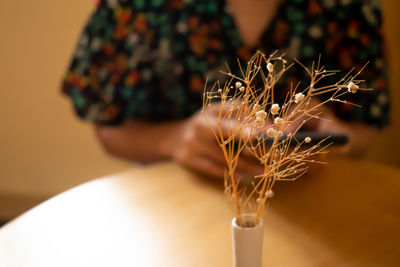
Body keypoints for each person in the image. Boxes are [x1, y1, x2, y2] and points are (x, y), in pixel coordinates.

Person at [62, 0, 389, 178]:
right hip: (174, 204)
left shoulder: (350, 8)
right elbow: (109, 127)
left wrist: (335, 135)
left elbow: (364, 131)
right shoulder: (134, 7)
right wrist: (174, 138)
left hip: (312, 202)